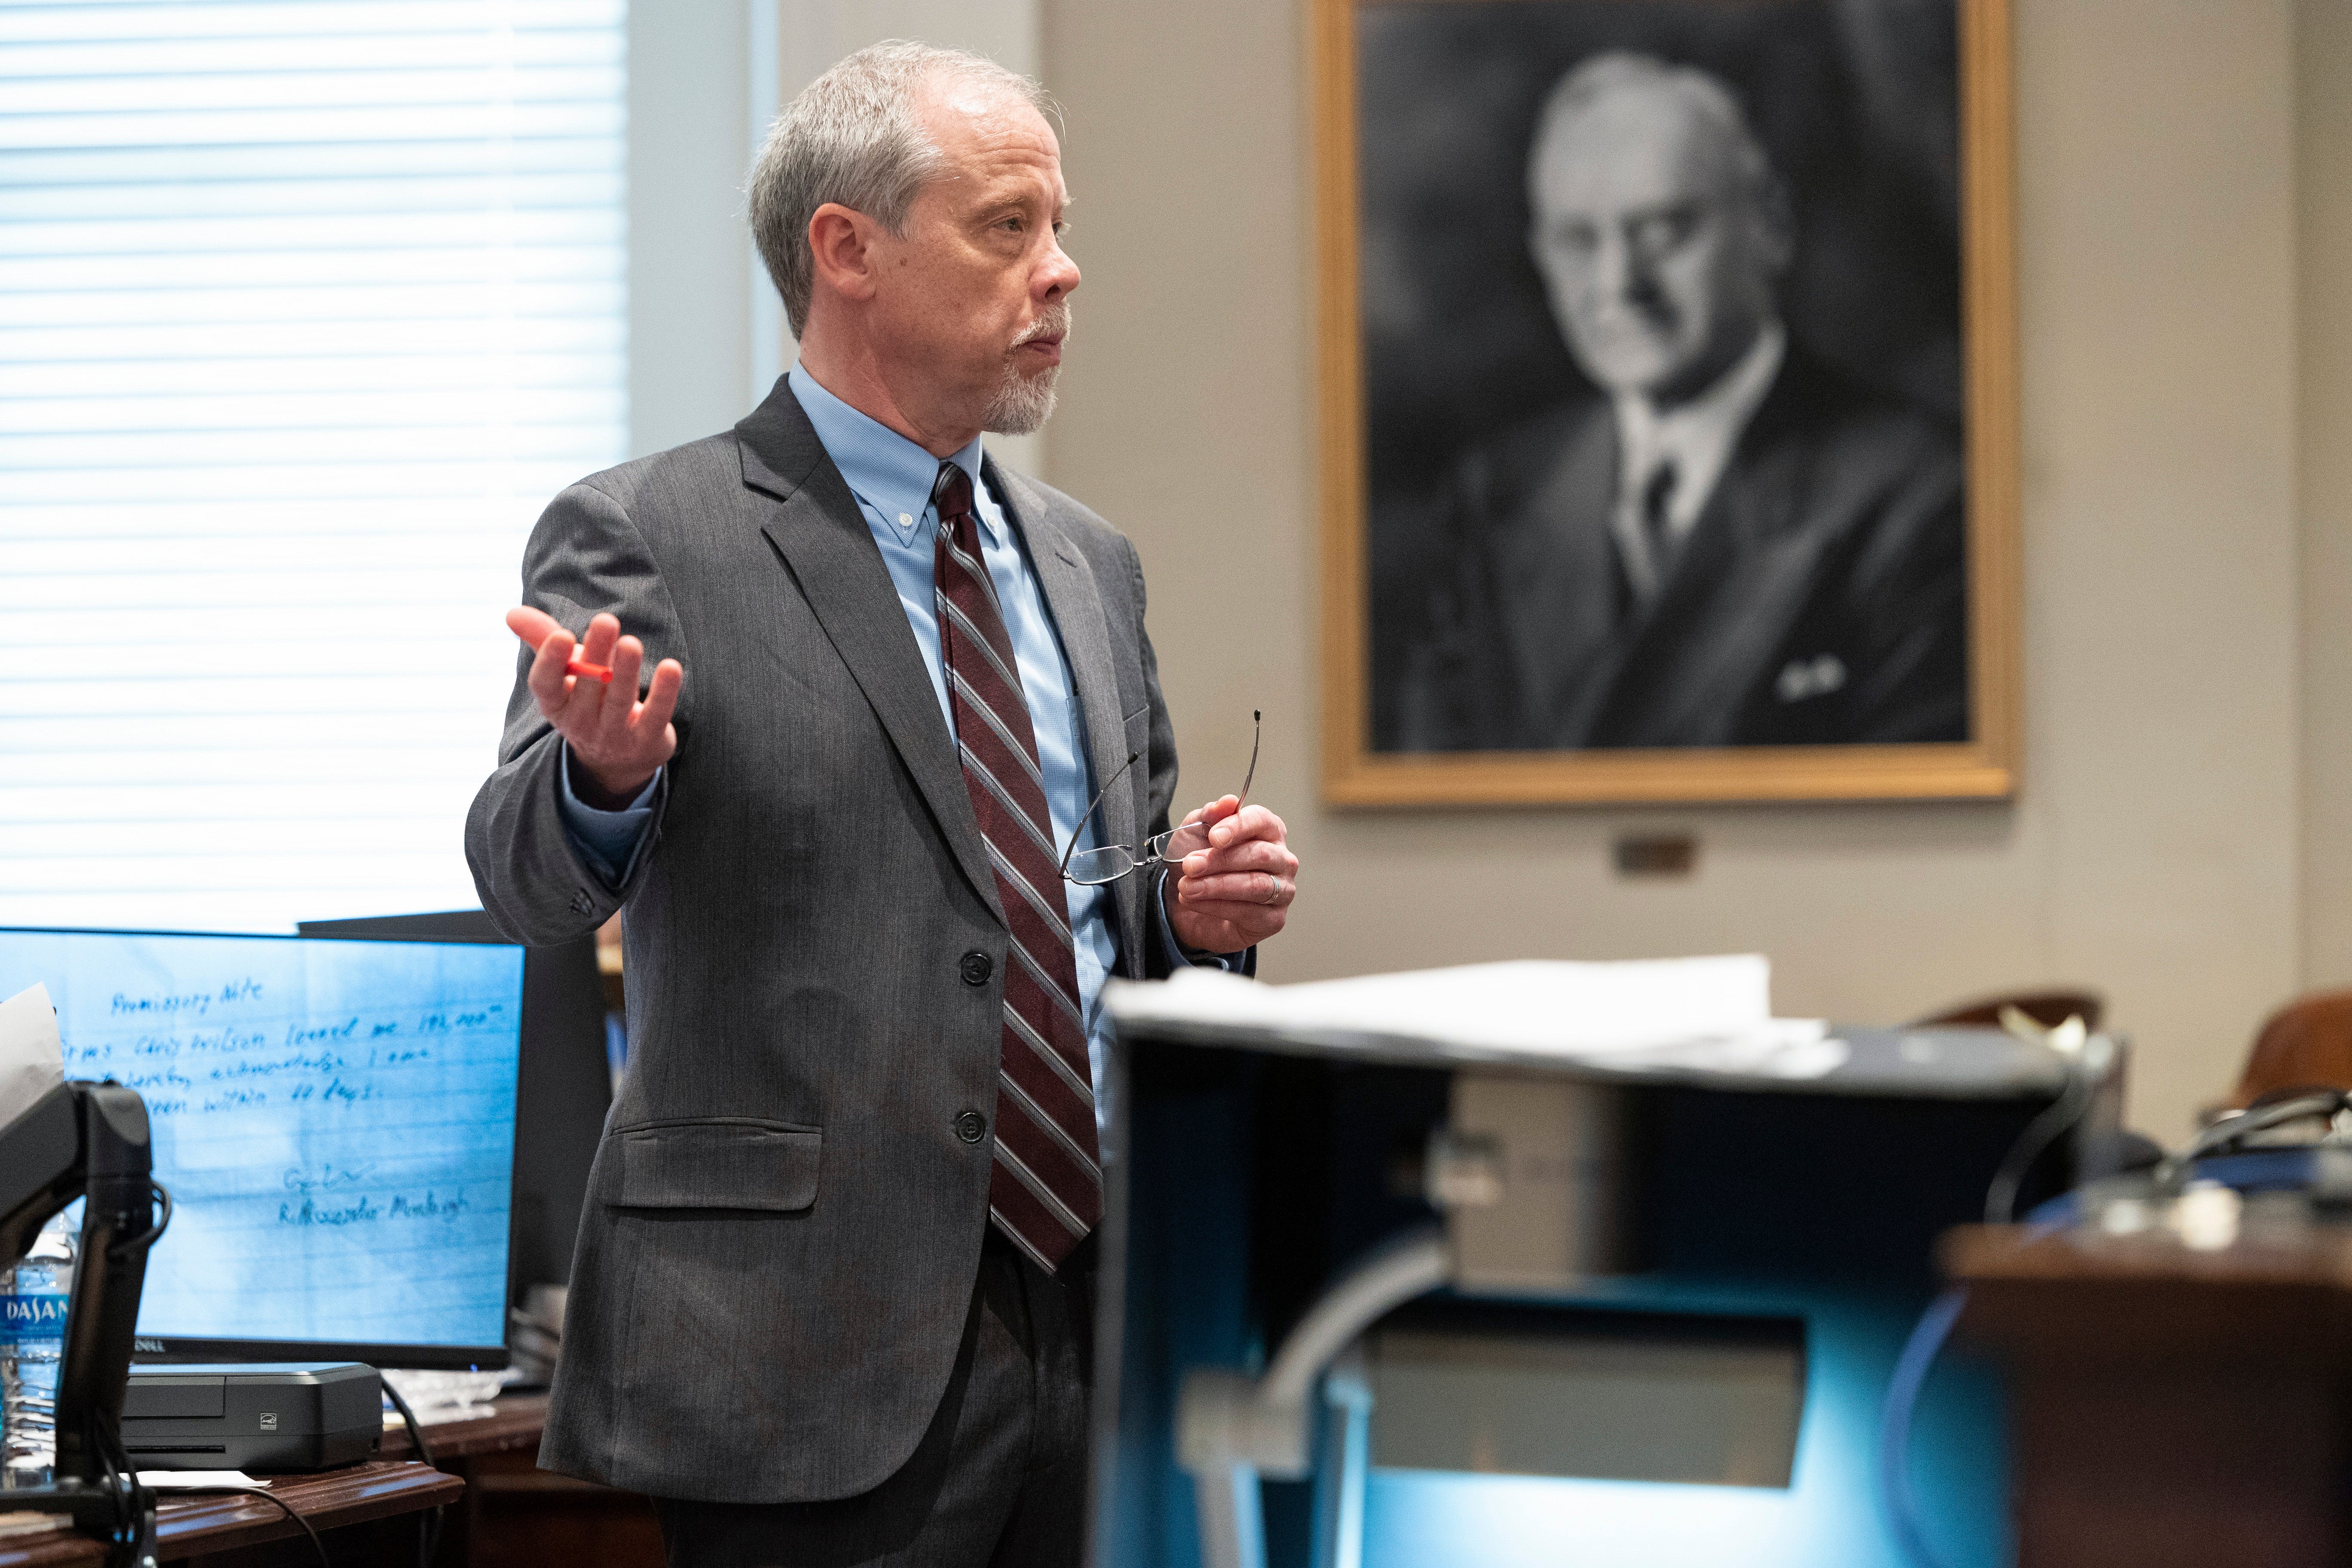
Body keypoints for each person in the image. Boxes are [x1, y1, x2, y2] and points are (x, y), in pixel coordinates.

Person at [464, 41, 1298, 1567]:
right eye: (1009, 227)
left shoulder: (1088, 561)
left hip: (1102, 1314)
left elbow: (1110, 908)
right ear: (847, 249)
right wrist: (600, 776)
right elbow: (525, 884)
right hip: (799, 1346)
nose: (1062, 272)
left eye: (1059, 226)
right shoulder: (648, 532)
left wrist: (1190, 914)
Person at [1389, 51, 1968, 751]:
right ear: (1540, 254)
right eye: (1578, 240)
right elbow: (1441, 816)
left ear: (1771, 226)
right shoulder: (1499, 496)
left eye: (1663, 232)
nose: (1619, 283)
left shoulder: (1920, 493)